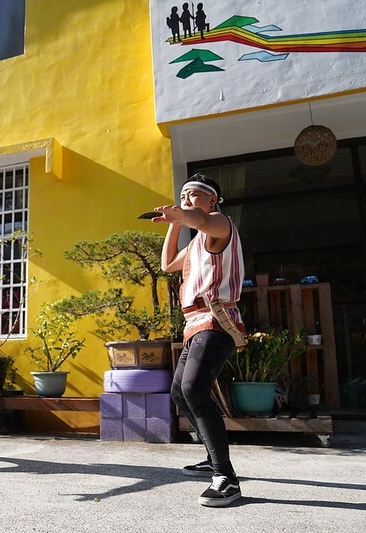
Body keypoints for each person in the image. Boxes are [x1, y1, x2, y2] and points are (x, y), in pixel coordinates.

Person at [152, 174, 246, 507]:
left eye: (193, 195)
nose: (187, 200)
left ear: (212, 200)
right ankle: (212, 456)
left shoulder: (220, 224)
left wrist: (183, 214)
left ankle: (226, 479)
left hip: (217, 320)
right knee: (180, 392)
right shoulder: (195, 244)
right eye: (183, 196)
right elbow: (167, 264)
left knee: (193, 389)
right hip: (195, 324)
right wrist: (174, 223)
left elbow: (202, 221)